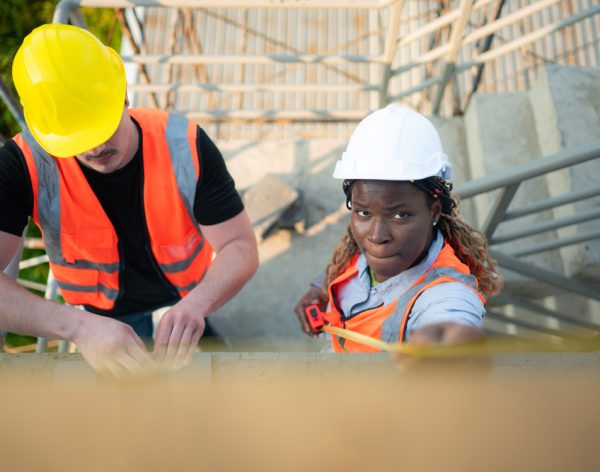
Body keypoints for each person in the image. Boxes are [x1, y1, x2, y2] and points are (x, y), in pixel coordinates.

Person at [0, 24, 258, 376]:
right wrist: (76, 326)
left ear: (123, 94)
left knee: (211, 371)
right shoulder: (22, 164)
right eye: (74, 139)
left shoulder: (186, 145)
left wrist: (197, 306)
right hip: (101, 315)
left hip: (186, 297)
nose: (94, 148)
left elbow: (239, 245)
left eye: (101, 127)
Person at [294, 104, 503, 351]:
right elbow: (349, 260)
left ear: (434, 211)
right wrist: (319, 289)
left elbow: (451, 320)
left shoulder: (444, 294)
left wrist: (451, 348)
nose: (376, 235)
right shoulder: (367, 244)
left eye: (400, 214)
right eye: (363, 212)